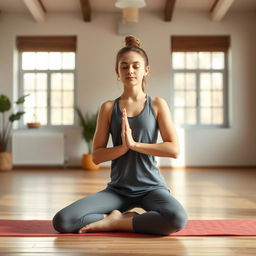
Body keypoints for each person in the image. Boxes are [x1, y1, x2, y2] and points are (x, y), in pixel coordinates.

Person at [52, 35, 188, 235]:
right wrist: (123, 148)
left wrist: (134, 144)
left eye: (135, 66)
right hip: (118, 190)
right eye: (124, 66)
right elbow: (97, 156)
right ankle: (122, 218)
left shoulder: (158, 104)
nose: (130, 71)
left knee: (176, 218)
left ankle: (115, 222)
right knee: (62, 221)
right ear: (117, 72)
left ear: (146, 70)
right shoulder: (108, 108)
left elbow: (174, 149)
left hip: (151, 188)